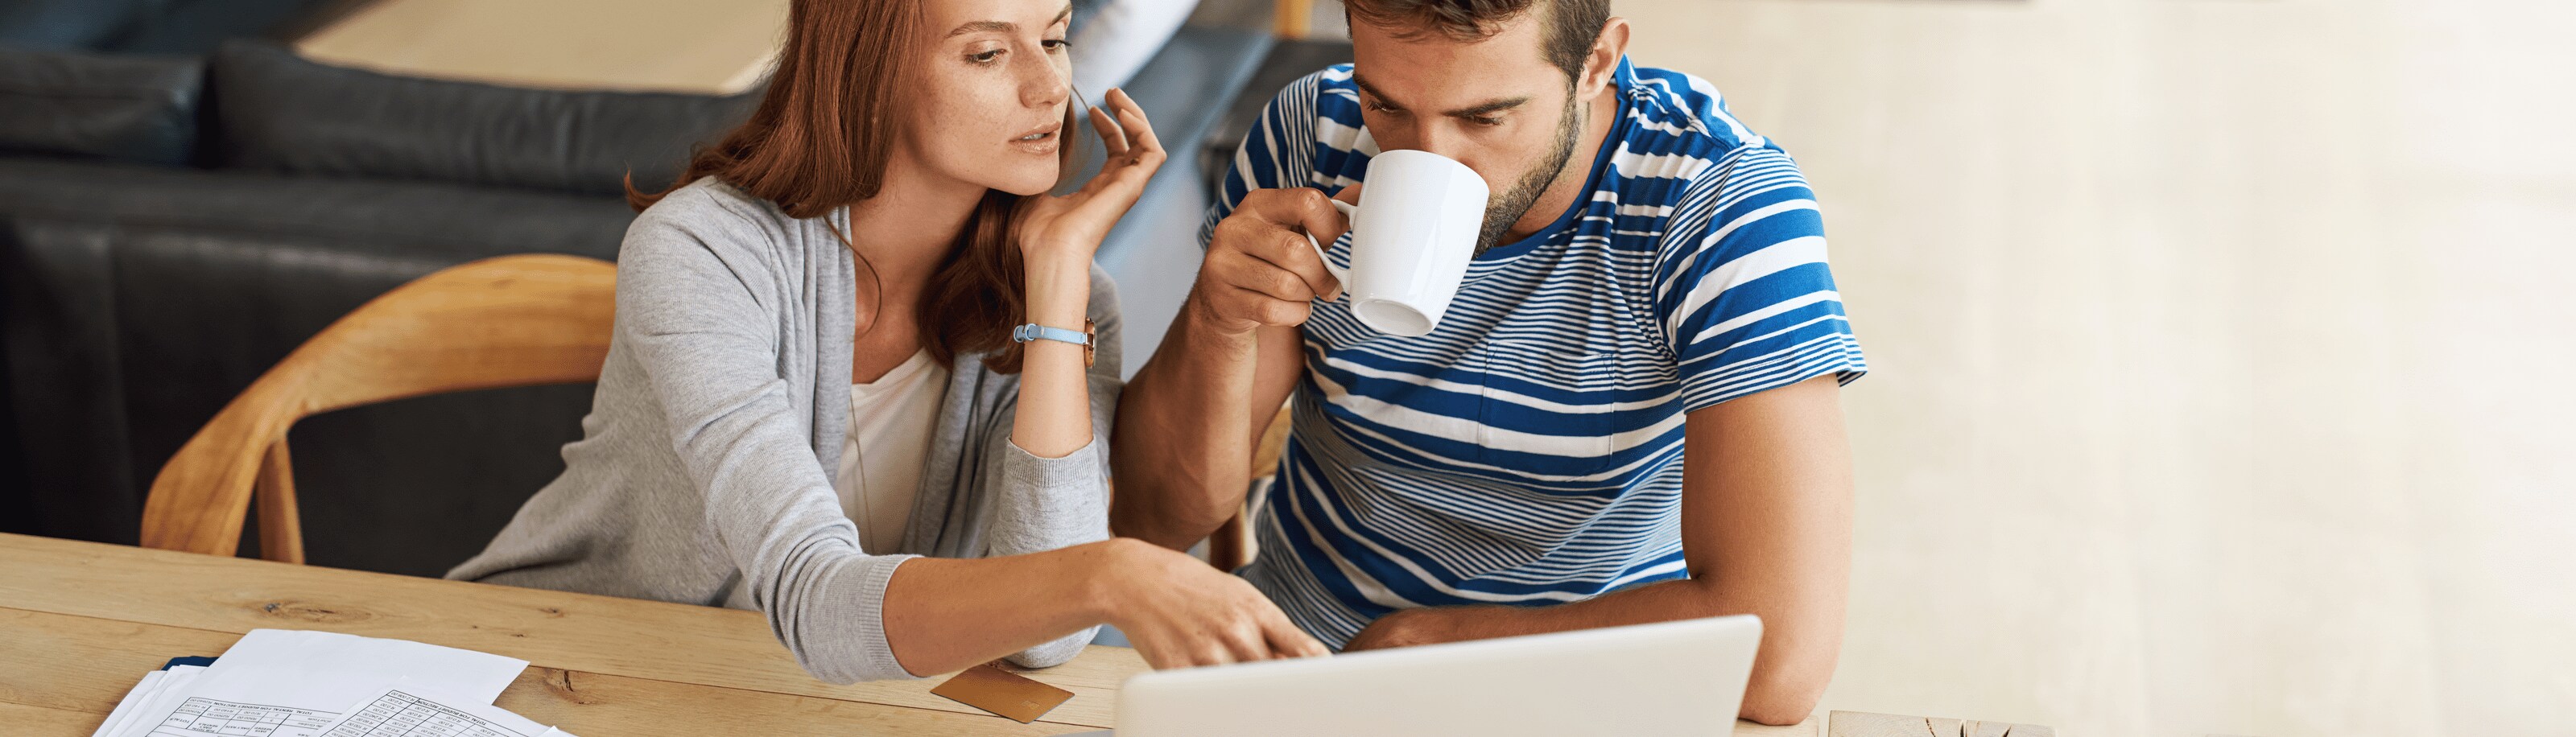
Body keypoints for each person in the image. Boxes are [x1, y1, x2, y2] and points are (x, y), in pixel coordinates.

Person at [449, 0, 1326, 683]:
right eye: (986, 54)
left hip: (779, 697)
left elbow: (1047, 643)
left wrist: (1059, 277)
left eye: (1054, 39)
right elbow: (813, 597)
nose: (1049, 88)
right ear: (867, 74)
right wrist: (1114, 574)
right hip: (550, 667)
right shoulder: (702, 252)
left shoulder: (1063, 293)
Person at [1110, 0, 1865, 723]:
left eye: (1483, 117)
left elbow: (1779, 659)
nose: (1423, 157)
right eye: (1386, 105)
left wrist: (1427, 645)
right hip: (1297, 664)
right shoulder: (1315, 132)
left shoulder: (1721, 206)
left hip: (1586, 689)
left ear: (1597, 62)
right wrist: (1217, 322)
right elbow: (1150, 521)